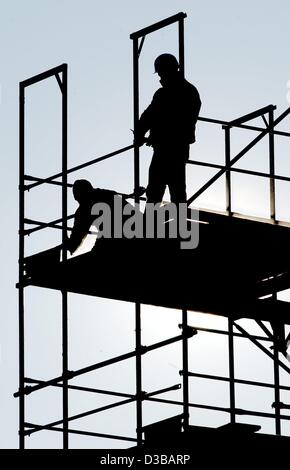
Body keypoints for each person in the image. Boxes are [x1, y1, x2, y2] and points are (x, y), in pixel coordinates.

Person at [135, 53, 201, 204]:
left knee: (158, 192)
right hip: (175, 148)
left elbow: (150, 116)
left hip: (168, 148)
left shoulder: (168, 94)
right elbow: (149, 116)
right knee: (174, 192)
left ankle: (151, 225)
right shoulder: (189, 91)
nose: (159, 78)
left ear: (167, 71)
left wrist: (141, 133)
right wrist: (141, 132)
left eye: (160, 73)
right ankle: (175, 224)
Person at [66, 180, 135, 255]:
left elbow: (76, 239)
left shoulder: (84, 208)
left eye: (77, 198)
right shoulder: (106, 193)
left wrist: (68, 244)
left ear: (79, 196)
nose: (77, 201)